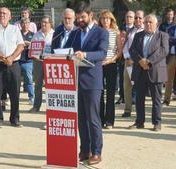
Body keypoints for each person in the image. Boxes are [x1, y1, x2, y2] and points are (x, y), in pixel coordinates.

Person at [65, 2, 108, 165]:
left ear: (91, 15)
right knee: (81, 119)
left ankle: (97, 152)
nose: (80, 20)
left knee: (93, 119)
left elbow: (102, 53)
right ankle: (85, 150)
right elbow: (67, 50)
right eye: (78, 17)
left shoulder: (101, 32)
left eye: (83, 17)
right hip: (75, 81)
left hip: (92, 82)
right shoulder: (75, 33)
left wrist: (85, 54)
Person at [128, 14, 169, 131]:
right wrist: (140, 60)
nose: (148, 24)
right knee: (139, 98)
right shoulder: (138, 35)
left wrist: (149, 61)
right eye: (146, 22)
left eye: (151, 22)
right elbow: (132, 50)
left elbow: (163, 51)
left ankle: (157, 122)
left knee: (156, 98)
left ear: (156, 24)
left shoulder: (163, 36)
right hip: (140, 70)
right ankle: (139, 122)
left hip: (155, 71)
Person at [0, 7, 25, 127]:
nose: (2, 15)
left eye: (5, 13)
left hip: (14, 64)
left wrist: (11, 58)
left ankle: (15, 119)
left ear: (10, 16)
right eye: (0, 13)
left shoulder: (15, 29)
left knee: (15, 93)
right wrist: (3, 58)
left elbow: (21, 45)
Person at [98, 9, 122, 129]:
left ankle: (109, 121)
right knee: (100, 93)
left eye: (108, 18)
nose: (105, 20)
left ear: (111, 20)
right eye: (103, 18)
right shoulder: (97, 32)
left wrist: (110, 60)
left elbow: (119, 51)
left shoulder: (116, 32)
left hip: (111, 64)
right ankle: (100, 119)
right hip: (98, 65)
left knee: (111, 93)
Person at [121, 10, 145, 117]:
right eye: (136, 18)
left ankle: (140, 111)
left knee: (140, 87)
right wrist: (127, 57)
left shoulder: (147, 30)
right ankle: (127, 109)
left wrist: (140, 60)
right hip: (129, 62)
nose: (138, 20)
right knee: (127, 86)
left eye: (140, 18)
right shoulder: (129, 31)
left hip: (142, 63)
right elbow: (125, 45)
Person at [29, 15, 54, 113]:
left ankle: (51, 107)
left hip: (50, 62)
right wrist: (35, 56)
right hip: (38, 62)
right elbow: (32, 49)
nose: (43, 24)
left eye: (45, 22)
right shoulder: (37, 35)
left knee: (51, 86)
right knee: (38, 85)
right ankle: (36, 106)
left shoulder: (54, 34)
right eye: (42, 22)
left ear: (50, 24)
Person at [115, 10, 135, 105]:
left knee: (133, 78)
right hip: (122, 57)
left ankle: (133, 97)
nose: (128, 18)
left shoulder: (136, 29)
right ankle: (122, 96)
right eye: (127, 17)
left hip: (132, 58)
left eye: (130, 17)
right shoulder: (120, 29)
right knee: (122, 78)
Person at [19, 18, 35, 105]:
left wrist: (29, 43)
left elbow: (37, 45)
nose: (25, 25)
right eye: (24, 23)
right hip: (17, 60)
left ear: (29, 24)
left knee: (29, 80)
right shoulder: (17, 34)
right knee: (15, 80)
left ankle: (31, 97)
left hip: (28, 61)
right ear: (21, 24)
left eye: (27, 23)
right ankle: (14, 97)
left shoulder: (33, 35)